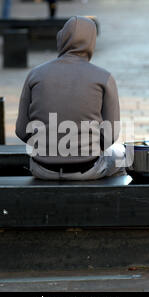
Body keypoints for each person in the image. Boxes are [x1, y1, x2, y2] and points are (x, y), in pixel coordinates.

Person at [15, 16, 125, 181]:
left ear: (62, 38)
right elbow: (110, 135)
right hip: (87, 169)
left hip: (42, 168)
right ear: (91, 41)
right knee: (123, 155)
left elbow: (21, 130)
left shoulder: (35, 74)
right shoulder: (104, 77)